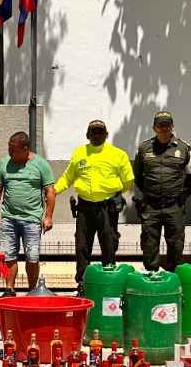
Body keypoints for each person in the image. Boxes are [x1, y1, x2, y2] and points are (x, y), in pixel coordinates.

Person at [54, 119, 134, 286]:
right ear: (87, 135)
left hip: (107, 207)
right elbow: (67, 177)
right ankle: (82, 283)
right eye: (93, 132)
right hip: (84, 207)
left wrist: (115, 194)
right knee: (82, 246)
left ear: (106, 135)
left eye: (100, 132)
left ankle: (109, 281)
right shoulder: (79, 153)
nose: (97, 135)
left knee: (109, 245)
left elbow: (128, 180)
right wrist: (53, 190)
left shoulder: (118, 154)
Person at [0, 131, 56, 294]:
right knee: (8, 255)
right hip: (9, 218)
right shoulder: (4, 163)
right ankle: (9, 289)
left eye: (14, 150)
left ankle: (32, 290)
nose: (10, 153)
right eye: (9, 149)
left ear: (26, 149)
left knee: (32, 257)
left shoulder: (41, 164)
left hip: (32, 219)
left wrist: (48, 217)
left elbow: (50, 191)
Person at [132, 110, 191, 272]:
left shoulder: (184, 148)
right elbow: (137, 175)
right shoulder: (144, 148)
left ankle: (173, 276)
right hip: (151, 205)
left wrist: (183, 195)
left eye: (167, 125)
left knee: (176, 243)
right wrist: (148, 193)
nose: (164, 128)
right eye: (161, 125)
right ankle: (152, 275)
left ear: (172, 126)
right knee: (149, 242)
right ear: (154, 128)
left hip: (174, 205)